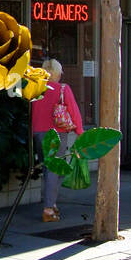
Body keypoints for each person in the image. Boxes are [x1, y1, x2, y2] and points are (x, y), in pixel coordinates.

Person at [32, 58, 84, 222]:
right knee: (54, 169)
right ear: (57, 73)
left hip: (37, 132)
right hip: (57, 133)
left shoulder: (36, 88)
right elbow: (74, 111)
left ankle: (51, 203)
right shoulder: (63, 88)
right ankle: (48, 209)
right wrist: (80, 131)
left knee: (46, 168)